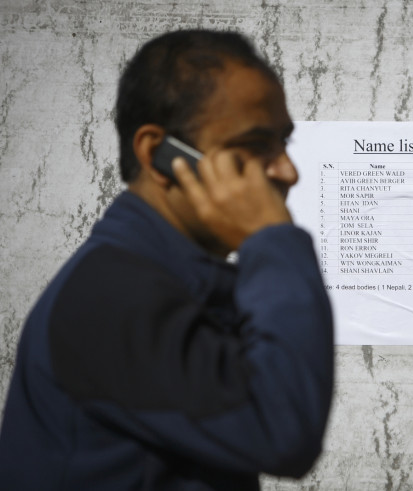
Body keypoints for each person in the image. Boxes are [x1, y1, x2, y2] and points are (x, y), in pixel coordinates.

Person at [0, 29, 334, 489]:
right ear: (160, 154)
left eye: (284, 142)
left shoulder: (168, 281)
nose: (287, 171)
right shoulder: (115, 296)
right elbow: (283, 428)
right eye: (256, 146)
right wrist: (273, 239)